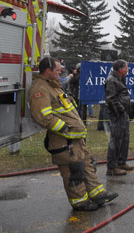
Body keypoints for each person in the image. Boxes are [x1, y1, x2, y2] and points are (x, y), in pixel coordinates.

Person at [29, 57, 118, 211]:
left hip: (74, 138)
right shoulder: (40, 88)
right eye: (58, 70)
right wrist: (65, 128)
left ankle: (98, 194)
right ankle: (80, 202)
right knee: (73, 170)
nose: (61, 72)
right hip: (63, 140)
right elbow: (42, 116)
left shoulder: (53, 85)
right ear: (48, 70)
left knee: (87, 165)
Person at [104, 59, 133, 176]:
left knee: (125, 138)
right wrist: (120, 110)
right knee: (116, 139)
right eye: (126, 68)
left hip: (123, 114)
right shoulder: (111, 80)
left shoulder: (120, 79)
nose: (128, 70)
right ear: (120, 69)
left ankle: (121, 162)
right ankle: (112, 167)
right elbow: (111, 99)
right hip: (117, 114)